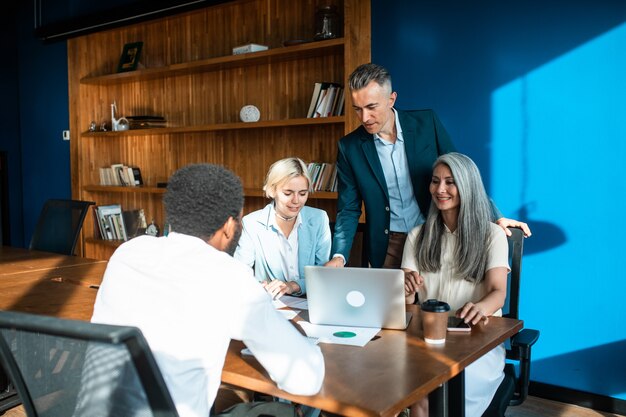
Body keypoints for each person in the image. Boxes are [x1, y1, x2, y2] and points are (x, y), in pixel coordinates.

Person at [91, 164, 325, 417]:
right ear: (228, 225)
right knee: (283, 413)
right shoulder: (229, 276)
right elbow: (305, 379)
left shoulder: (128, 252)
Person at [326, 63, 530, 269]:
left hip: (435, 234)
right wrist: (339, 256)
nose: (364, 118)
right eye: (357, 109)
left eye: (371, 107)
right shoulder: (349, 147)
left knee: (435, 300)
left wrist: (496, 217)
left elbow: (461, 176)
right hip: (388, 246)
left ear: (391, 99)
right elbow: (349, 208)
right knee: (393, 302)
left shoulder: (426, 123)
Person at [402, 152, 509, 417]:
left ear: (467, 186)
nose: (440, 190)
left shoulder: (492, 235)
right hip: (425, 340)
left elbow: (498, 292)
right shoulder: (417, 236)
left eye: (450, 182)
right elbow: (405, 303)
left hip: (475, 342)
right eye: (435, 181)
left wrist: (480, 307)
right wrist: (403, 289)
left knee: (426, 393)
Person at [235, 157, 331, 299]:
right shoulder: (252, 223)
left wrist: (292, 286)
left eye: (303, 193)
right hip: (272, 302)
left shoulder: (319, 219)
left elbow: (323, 274)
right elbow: (240, 271)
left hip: (312, 301)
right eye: (288, 193)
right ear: (272, 191)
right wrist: (258, 286)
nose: (296, 200)